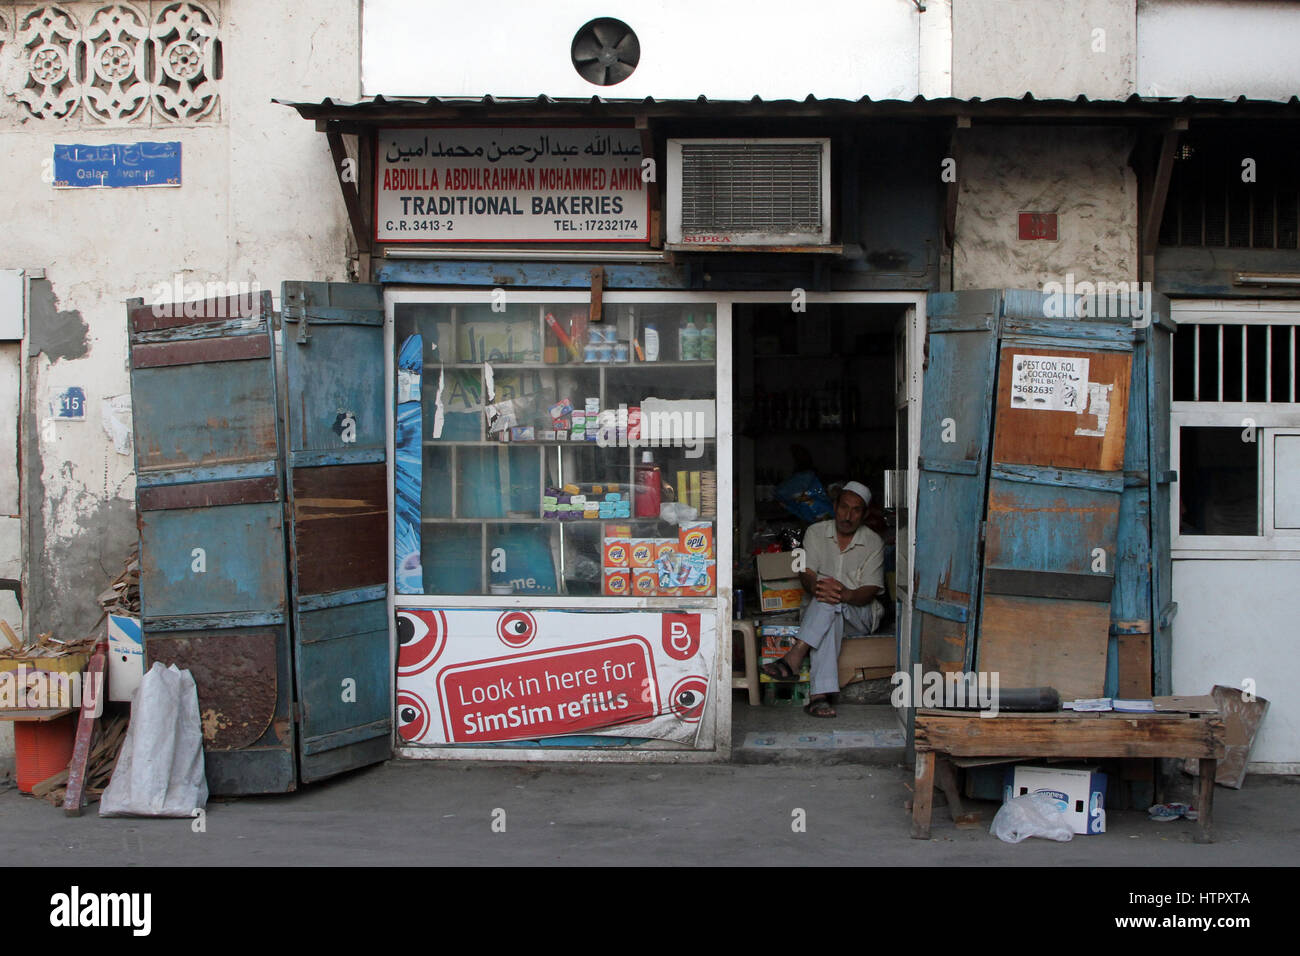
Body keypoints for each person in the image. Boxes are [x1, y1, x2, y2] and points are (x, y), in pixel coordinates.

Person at [761, 481, 885, 718]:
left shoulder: (873, 542)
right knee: (829, 609)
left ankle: (793, 657)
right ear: (835, 506)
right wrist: (821, 588)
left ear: (864, 514)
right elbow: (806, 575)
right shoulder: (815, 532)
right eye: (843, 507)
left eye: (856, 510)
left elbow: (868, 591)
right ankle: (820, 697)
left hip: (859, 615)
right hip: (823, 612)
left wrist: (843, 593)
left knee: (832, 600)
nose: (847, 516)